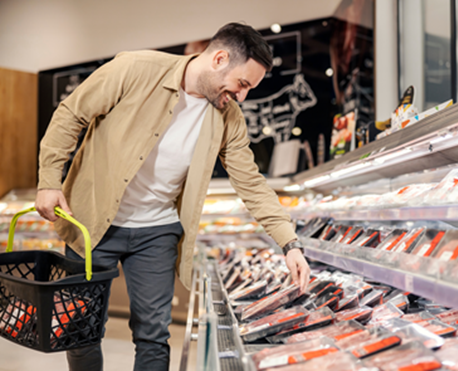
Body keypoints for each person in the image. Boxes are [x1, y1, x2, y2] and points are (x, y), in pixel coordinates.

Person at [35, 22, 310, 371]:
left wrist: (290, 243)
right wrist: (49, 180)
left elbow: (250, 182)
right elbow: (70, 114)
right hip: (91, 223)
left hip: (157, 232)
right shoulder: (135, 68)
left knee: (153, 335)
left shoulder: (228, 117)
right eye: (242, 84)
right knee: (81, 329)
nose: (242, 96)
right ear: (219, 58)